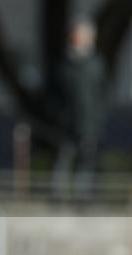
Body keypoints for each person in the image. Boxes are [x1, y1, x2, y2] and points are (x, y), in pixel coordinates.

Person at [52, 18, 106, 197]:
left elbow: (104, 94)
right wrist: (58, 115)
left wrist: (98, 118)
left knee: (86, 161)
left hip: (89, 124)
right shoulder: (63, 64)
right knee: (63, 158)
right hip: (65, 123)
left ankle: (82, 196)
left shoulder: (96, 65)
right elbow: (54, 94)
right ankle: (57, 195)